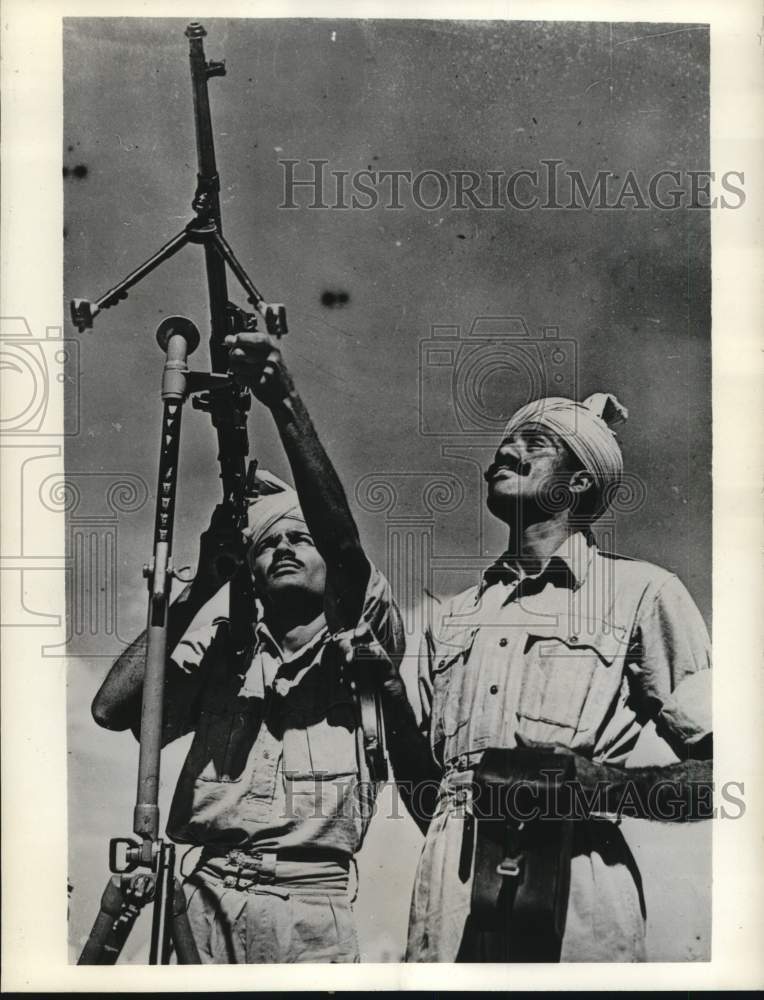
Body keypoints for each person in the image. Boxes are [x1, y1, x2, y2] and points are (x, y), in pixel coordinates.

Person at [91, 327, 405, 964]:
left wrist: (281, 401)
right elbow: (113, 710)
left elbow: (344, 548)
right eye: (266, 545)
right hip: (199, 902)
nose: (285, 548)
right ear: (251, 572)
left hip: (310, 913)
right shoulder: (222, 645)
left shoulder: (364, 634)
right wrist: (199, 585)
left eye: (300, 539)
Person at [378, 392, 712, 962]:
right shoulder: (453, 618)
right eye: (506, 442)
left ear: (580, 482)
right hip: (448, 906)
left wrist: (599, 783)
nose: (505, 450)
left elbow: (725, 776)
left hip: (578, 903)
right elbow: (429, 799)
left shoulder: (643, 594)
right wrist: (387, 699)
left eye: (534, 443)